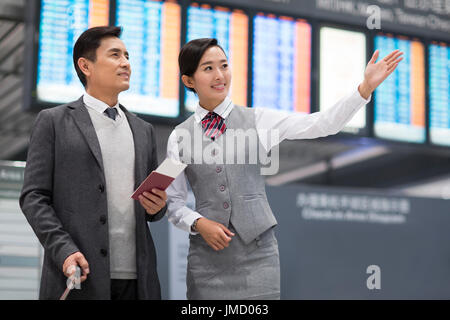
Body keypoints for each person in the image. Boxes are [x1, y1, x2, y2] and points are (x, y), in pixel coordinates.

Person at [166, 38, 403, 299]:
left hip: (258, 257)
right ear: (189, 80)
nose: (220, 75)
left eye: (224, 65)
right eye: (208, 68)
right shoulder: (179, 137)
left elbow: (321, 124)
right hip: (206, 262)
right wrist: (198, 223)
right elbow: (174, 204)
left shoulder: (257, 120)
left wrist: (364, 89)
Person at [20, 26, 167, 300]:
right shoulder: (54, 122)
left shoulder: (143, 130)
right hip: (79, 272)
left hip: (139, 281)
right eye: (115, 55)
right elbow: (33, 197)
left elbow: (151, 210)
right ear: (85, 65)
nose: (126, 63)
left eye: (127, 55)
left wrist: (158, 206)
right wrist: (63, 249)